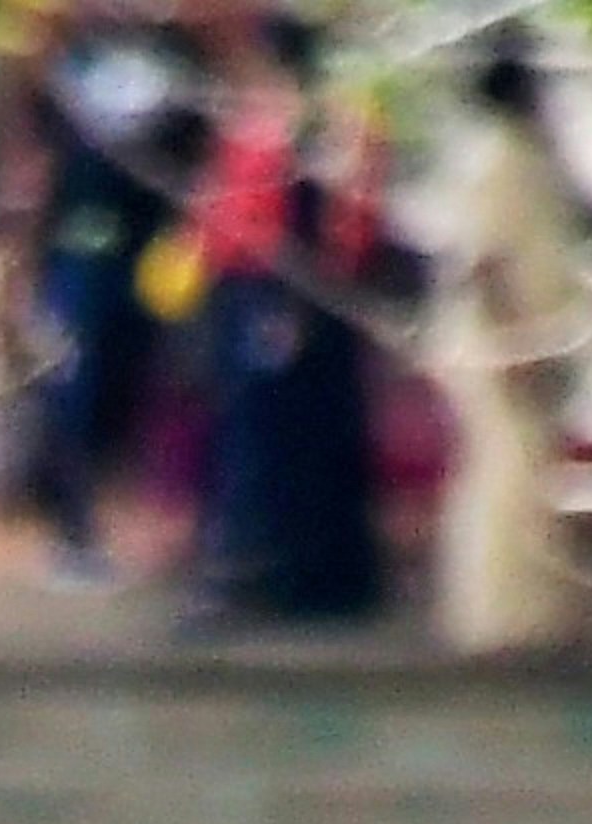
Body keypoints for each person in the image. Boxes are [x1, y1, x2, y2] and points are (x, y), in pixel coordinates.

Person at [188, 21, 403, 624]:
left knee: (272, 444)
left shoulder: (299, 128)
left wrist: (285, 310)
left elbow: (300, 229)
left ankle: (279, 578)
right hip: (274, 299)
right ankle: (304, 576)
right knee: (287, 441)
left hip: (279, 303)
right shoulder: (302, 123)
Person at [425, 41, 592, 648]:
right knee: (505, 478)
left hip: (519, 336)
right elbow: (488, 264)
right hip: (501, 342)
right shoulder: (500, 159)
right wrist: (512, 344)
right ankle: (499, 619)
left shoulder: (510, 156)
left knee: (519, 476)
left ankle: (523, 611)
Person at [21, 11, 211, 578]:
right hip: (81, 249)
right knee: (71, 387)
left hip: (156, 254)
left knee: (161, 385)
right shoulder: (71, 61)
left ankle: (174, 531)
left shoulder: (179, 57)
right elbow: (44, 143)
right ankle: (73, 528)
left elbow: (195, 146)